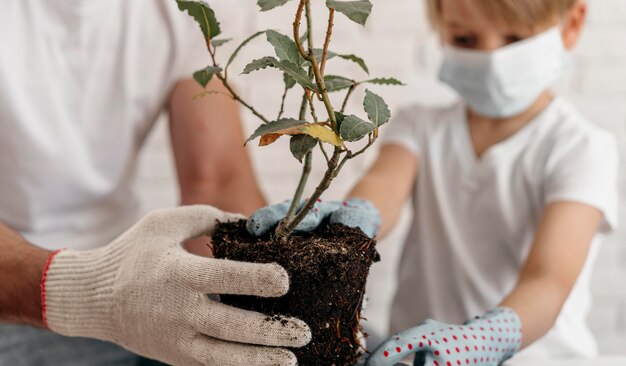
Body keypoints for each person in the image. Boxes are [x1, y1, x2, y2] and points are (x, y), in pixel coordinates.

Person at [248, 0, 619, 364]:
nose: (491, 59)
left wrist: (488, 338)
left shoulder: (581, 148)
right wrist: (355, 218)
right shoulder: (420, 127)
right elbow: (384, 186)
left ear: (571, 24)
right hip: (412, 356)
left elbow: (549, 279)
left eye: (514, 39)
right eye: (465, 39)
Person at [0, 1, 310, 365]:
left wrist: (285, 286)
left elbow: (216, 182)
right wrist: (86, 289)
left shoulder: (193, 9)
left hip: (129, 281)